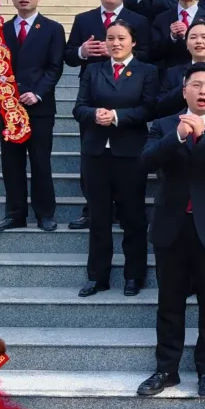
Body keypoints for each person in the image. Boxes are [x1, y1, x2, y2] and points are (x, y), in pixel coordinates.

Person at [137, 63, 205, 398]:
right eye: (196, 85)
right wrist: (178, 136)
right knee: (169, 302)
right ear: (184, 90)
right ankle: (166, 369)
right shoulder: (164, 125)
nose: (202, 91)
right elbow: (146, 161)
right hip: (171, 226)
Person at [72, 20, 158, 298]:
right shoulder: (93, 70)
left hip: (130, 153)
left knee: (133, 216)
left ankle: (134, 275)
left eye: (122, 38)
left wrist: (118, 117)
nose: (116, 43)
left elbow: (149, 108)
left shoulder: (147, 71)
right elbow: (79, 108)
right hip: (96, 152)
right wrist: (93, 114)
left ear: (133, 42)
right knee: (98, 217)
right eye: (111, 38)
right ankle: (97, 277)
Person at [0, 0, 64, 233]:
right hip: (8, 106)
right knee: (11, 162)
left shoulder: (53, 29)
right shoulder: (0, 30)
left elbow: (55, 68)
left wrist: (38, 93)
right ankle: (15, 214)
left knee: (40, 161)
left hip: (40, 106)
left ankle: (45, 214)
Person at [64, 0, 152, 230]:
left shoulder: (139, 20)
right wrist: (83, 51)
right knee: (91, 156)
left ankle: (125, 210)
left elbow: (148, 53)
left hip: (128, 98)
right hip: (94, 95)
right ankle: (92, 209)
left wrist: (120, 53)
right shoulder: (84, 19)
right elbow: (68, 55)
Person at [154, 19, 205, 119]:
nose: (199, 41)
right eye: (193, 37)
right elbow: (160, 107)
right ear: (186, 44)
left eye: (204, 37)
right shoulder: (173, 73)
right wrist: (185, 86)